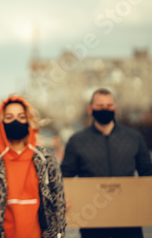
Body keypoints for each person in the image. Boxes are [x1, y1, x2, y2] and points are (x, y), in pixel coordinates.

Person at [0, 95, 66, 237]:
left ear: (29, 120)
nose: (16, 121)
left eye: (21, 117)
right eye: (9, 117)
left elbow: (58, 205)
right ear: (1, 122)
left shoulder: (45, 160)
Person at [61, 88, 152, 238]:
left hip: (129, 219)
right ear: (90, 109)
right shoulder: (77, 141)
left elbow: (147, 173)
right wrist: (63, 201)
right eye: (100, 106)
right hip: (92, 220)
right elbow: (65, 177)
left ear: (115, 109)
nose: (105, 109)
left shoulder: (133, 138)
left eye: (109, 106)